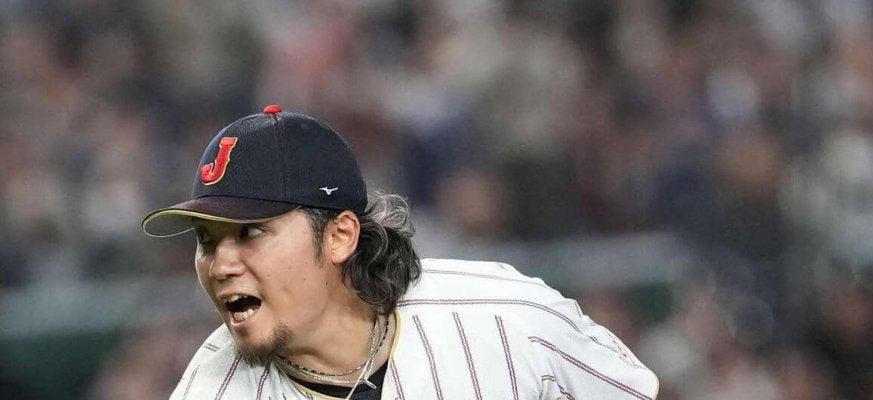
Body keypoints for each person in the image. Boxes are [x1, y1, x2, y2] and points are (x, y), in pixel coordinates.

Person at [142, 104, 659, 400]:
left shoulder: (508, 319)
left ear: (340, 236)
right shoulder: (212, 390)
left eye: (252, 232)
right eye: (206, 239)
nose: (221, 264)